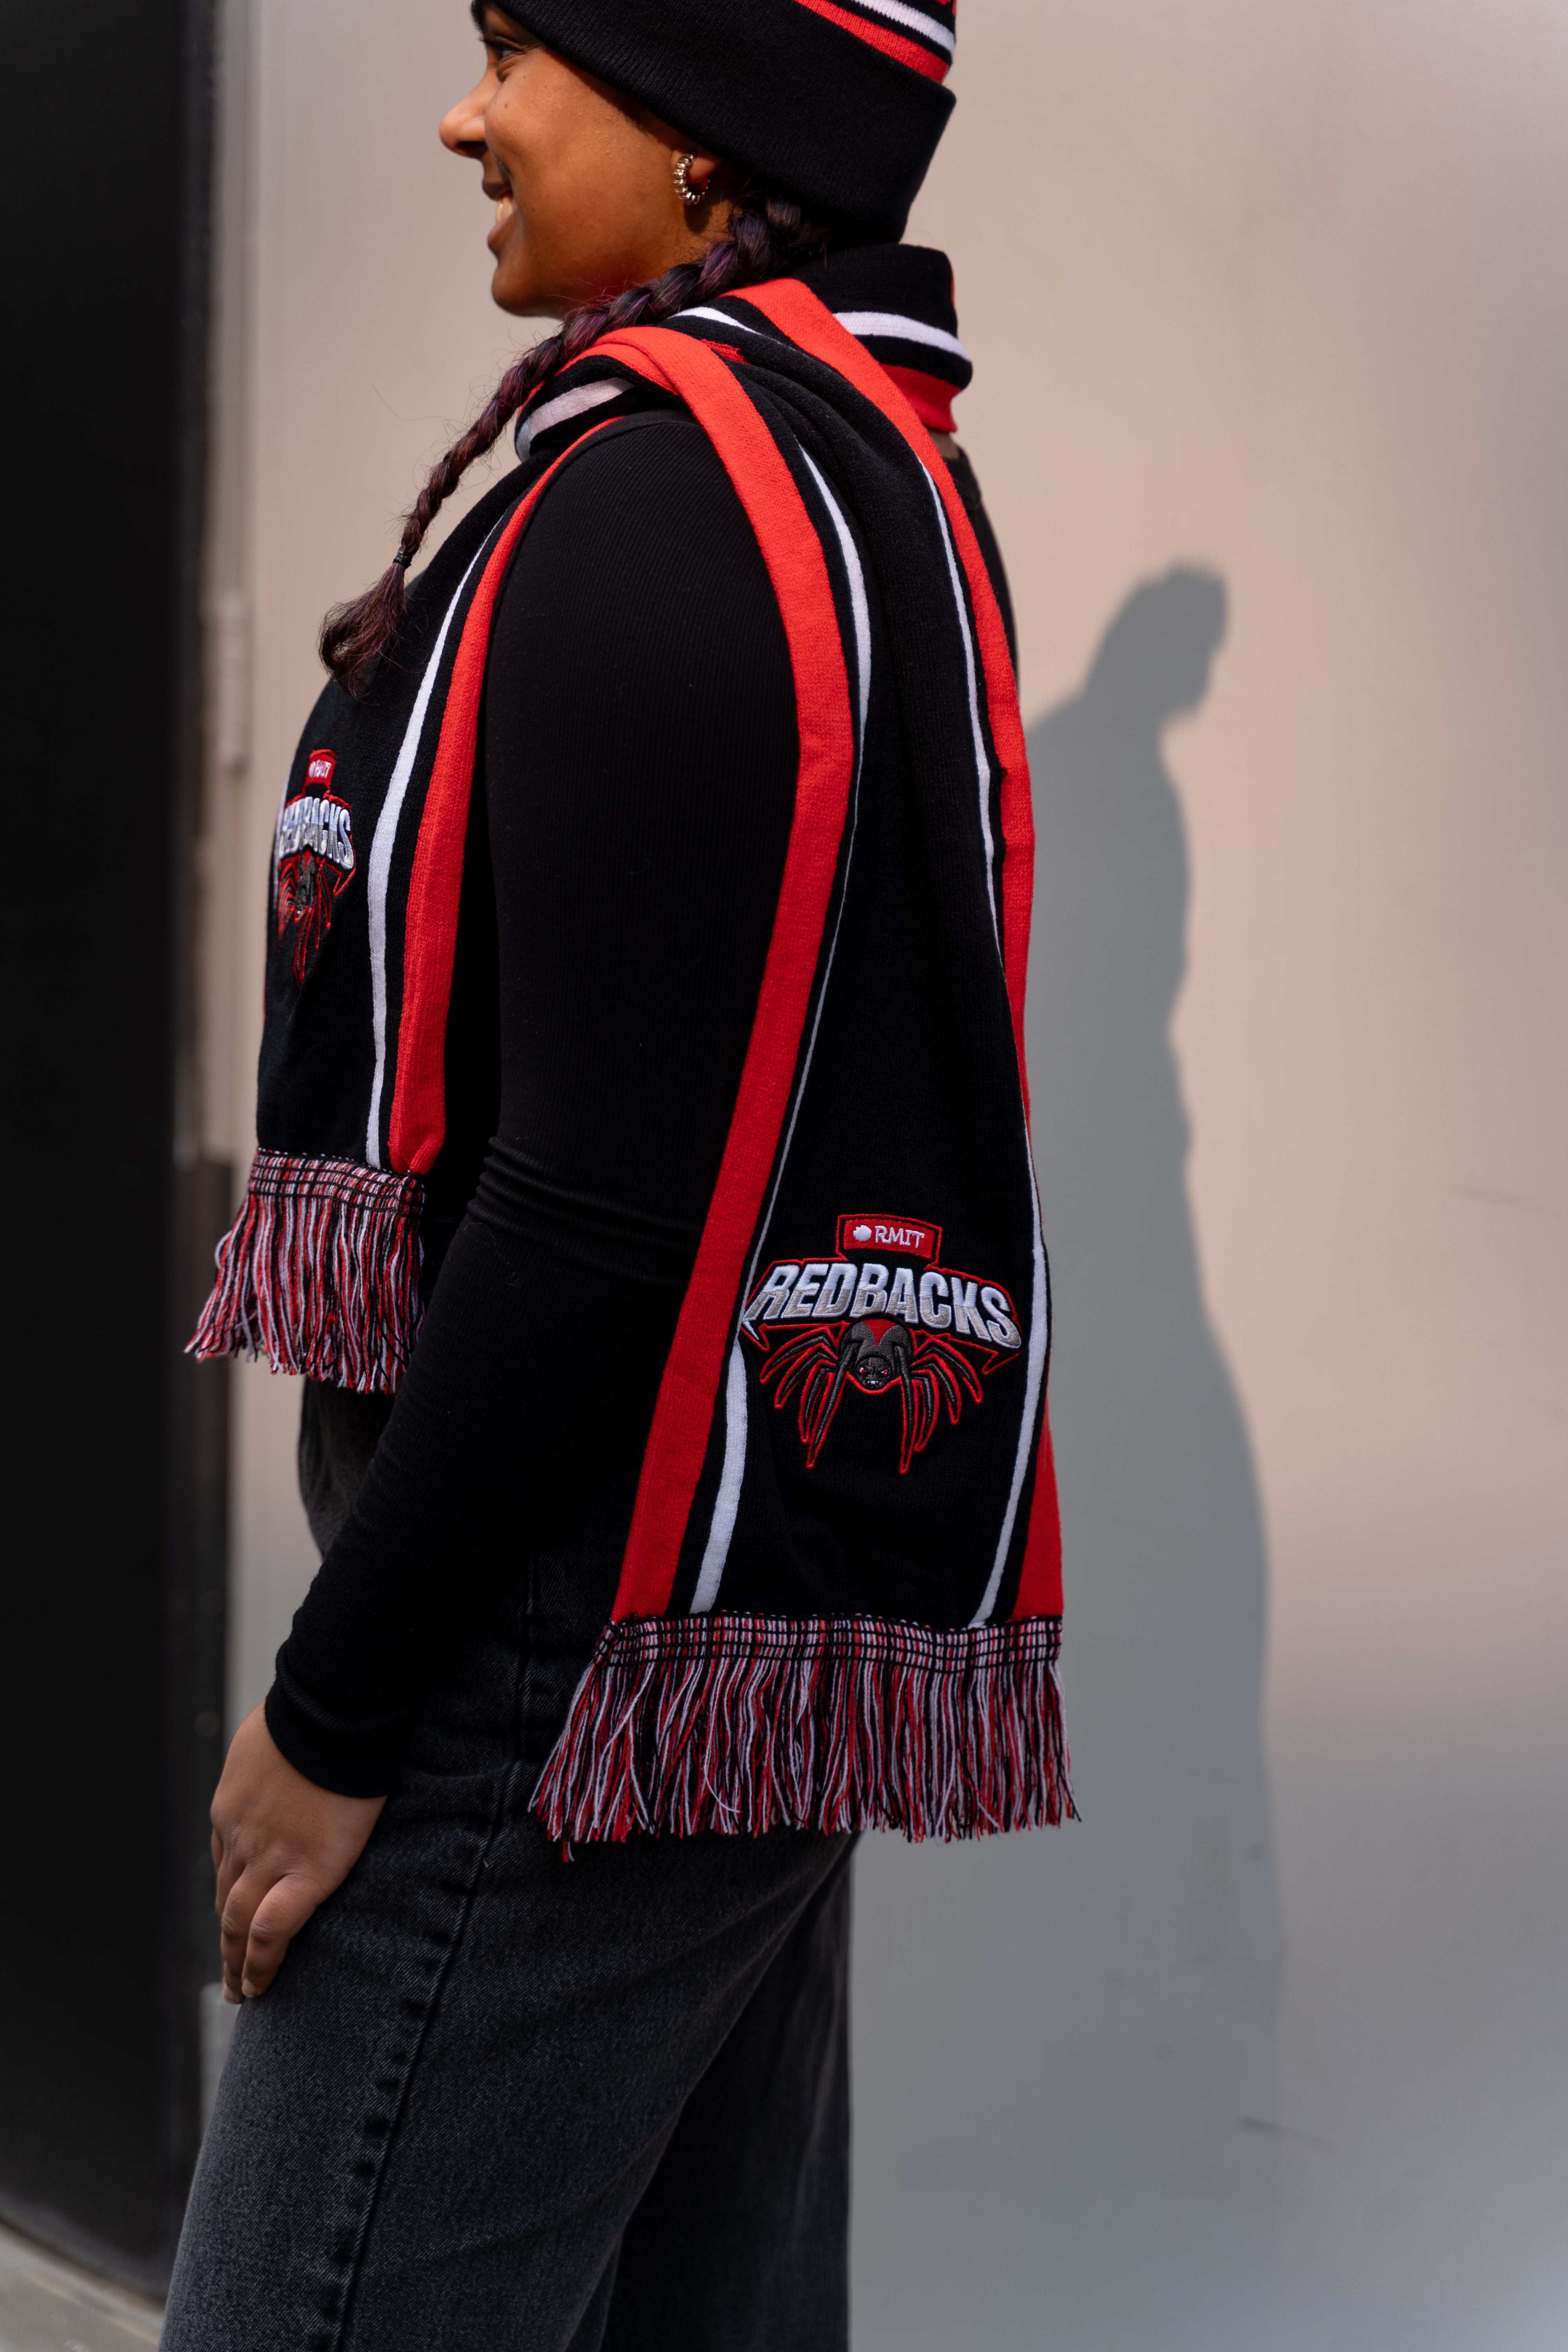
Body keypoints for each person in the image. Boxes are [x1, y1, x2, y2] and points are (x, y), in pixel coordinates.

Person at [165, 3, 1070, 2344]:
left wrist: (331, 1715)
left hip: (554, 1664)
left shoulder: (676, 501)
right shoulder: (840, 456)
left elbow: (595, 1207)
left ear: (700, 127)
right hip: (708, 1609)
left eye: (520, 47)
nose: (467, 112)